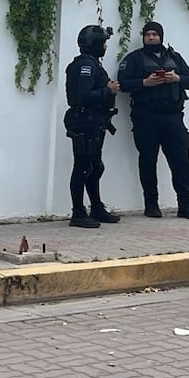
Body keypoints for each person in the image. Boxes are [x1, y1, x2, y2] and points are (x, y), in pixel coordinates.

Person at [117, 21, 189, 219]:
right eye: (148, 34)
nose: (152, 37)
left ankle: (185, 205)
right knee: (148, 160)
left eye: (155, 34)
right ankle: (151, 204)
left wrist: (177, 79)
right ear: (144, 37)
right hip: (146, 117)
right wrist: (144, 83)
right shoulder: (134, 59)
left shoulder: (174, 57)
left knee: (181, 160)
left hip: (173, 117)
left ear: (161, 36)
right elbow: (123, 83)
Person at [63, 24, 122, 228]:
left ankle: (96, 207)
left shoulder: (93, 64)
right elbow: (83, 96)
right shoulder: (85, 66)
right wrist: (109, 90)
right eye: (103, 42)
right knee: (83, 167)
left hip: (95, 122)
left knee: (95, 166)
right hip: (84, 122)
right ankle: (78, 212)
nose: (105, 46)